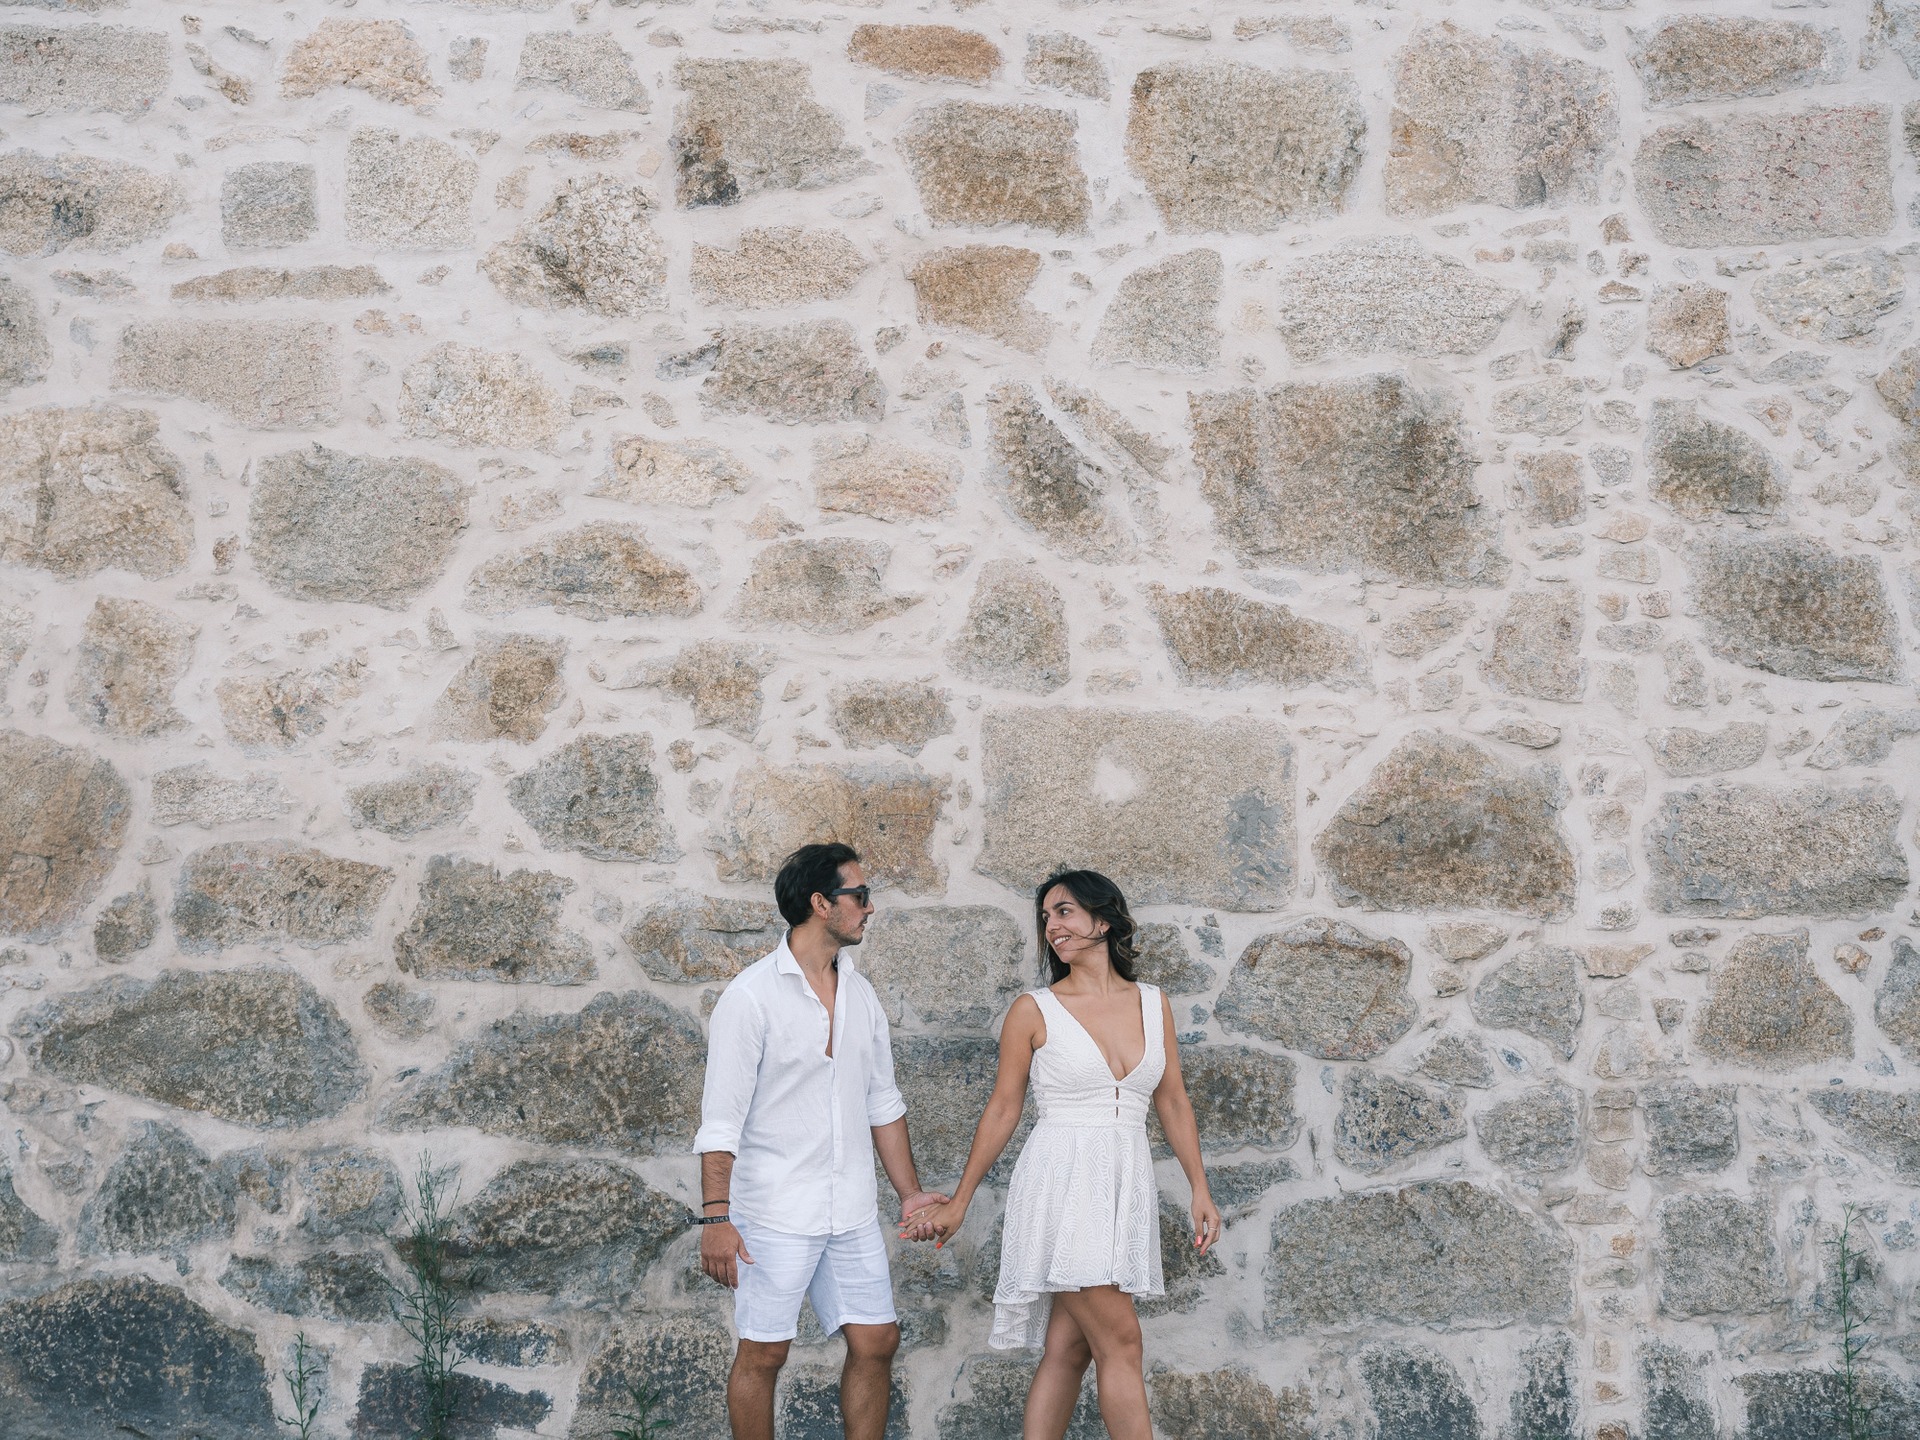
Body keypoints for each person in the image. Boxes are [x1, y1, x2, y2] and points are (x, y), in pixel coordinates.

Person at [910, 869, 1222, 1440]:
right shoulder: (1034, 1010)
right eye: (1047, 917)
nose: (1052, 926)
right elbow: (1003, 1109)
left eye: (1065, 912)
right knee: (1122, 1341)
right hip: (1062, 1184)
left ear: (1104, 920)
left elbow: (1173, 1100)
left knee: (1069, 1350)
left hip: (1121, 1183)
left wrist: (1199, 1187)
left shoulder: (1154, 1004)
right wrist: (960, 1200)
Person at [693, 842, 948, 1440]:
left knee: (877, 1340)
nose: (870, 907)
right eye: (860, 895)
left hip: (850, 1207)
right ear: (820, 903)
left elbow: (882, 1103)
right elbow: (721, 1120)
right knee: (764, 1353)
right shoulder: (750, 997)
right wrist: (716, 1219)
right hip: (774, 1209)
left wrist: (909, 1193)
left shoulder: (861, 994)